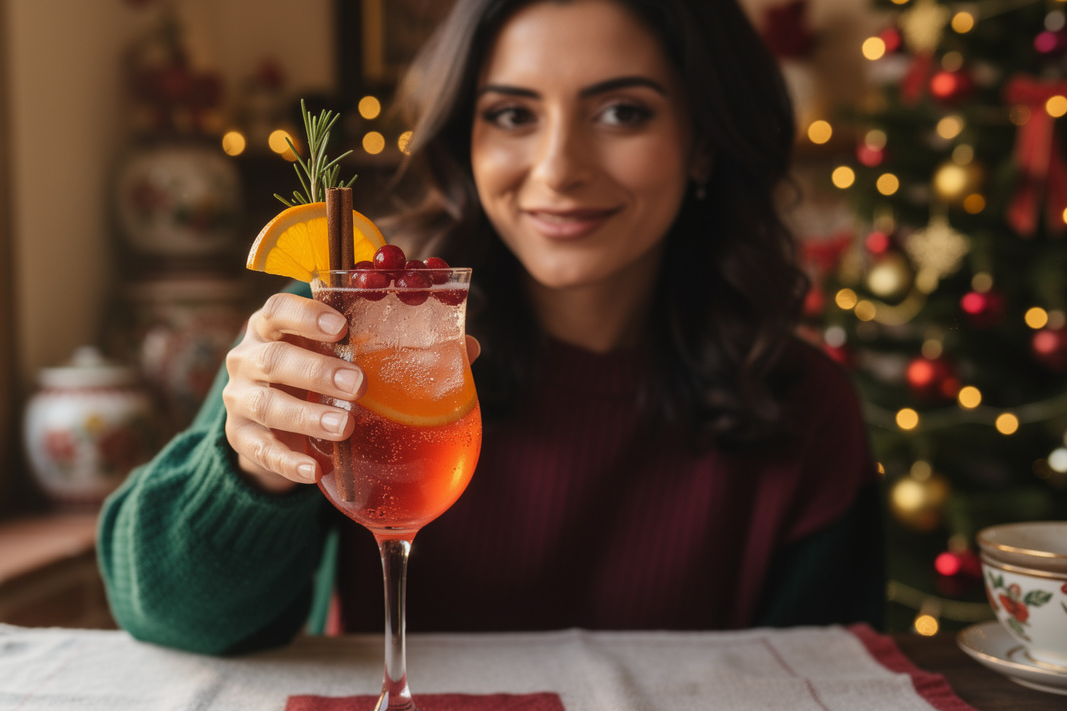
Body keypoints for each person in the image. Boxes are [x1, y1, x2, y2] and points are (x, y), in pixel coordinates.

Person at [97, 0, 885, 655]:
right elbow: (164, 615)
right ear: (466, 142)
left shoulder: (806, 407)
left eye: (622, 112)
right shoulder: (353, 327)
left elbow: (826, 697)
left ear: (704, 140)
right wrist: (254, 469)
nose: (558, 168)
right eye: (511, 114)